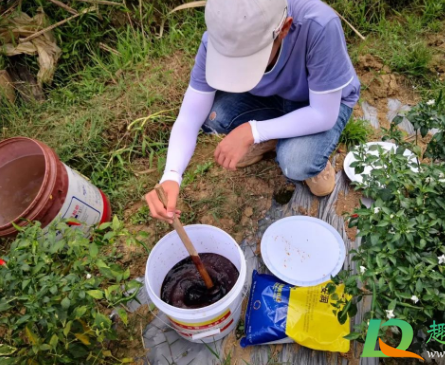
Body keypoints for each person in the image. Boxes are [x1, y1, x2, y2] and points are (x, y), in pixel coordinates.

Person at [146, 0, 360, 223]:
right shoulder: (221, 34)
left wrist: (253, 131)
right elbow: (190, 116)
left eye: (248, 59)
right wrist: (171, 175)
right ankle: (277, 136)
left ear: (284, 29)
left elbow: (322, 115)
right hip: (272, 97)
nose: (237, 67)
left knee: (296, 163)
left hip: (320, 101)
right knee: (214, 117)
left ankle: (305, 155)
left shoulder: (319, 25)